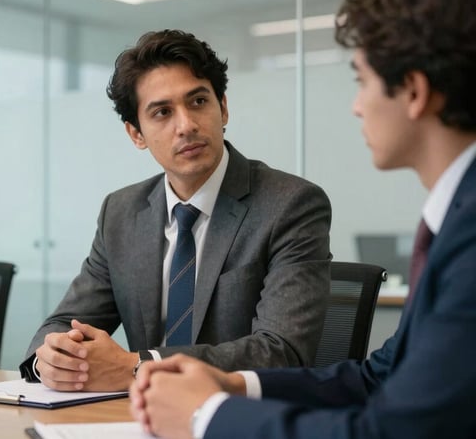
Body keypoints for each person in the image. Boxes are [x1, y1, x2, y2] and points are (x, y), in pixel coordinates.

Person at [130, 0, 476, 439]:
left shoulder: (469, 236)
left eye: (360, 79)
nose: (356, 105)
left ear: (413, 92)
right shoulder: (458, 219)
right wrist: (233, 385)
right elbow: (378, 377)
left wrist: (204, 416)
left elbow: (394, 432)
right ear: (136, 132)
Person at [20, 29, 332, 392]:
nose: (186, 126)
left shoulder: (290, 204)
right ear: (136, 134)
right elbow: (63, 324)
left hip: (241, 422)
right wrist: (53, 361)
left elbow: (281, 352)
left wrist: (137, 367)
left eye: (198, 101)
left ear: (223, 108)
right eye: (162, 112)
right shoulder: (121, 213)